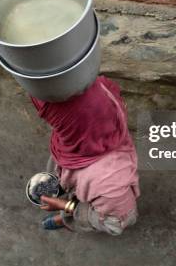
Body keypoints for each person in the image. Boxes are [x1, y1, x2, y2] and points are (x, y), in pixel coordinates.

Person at [30, 75, 140, 235]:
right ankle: (71, 203)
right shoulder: (98, 101)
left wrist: (65, 206)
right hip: (86, 159)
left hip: (104, 201)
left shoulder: (111, 184)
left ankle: (69, 220)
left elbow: (115, 223)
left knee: (83, 214)